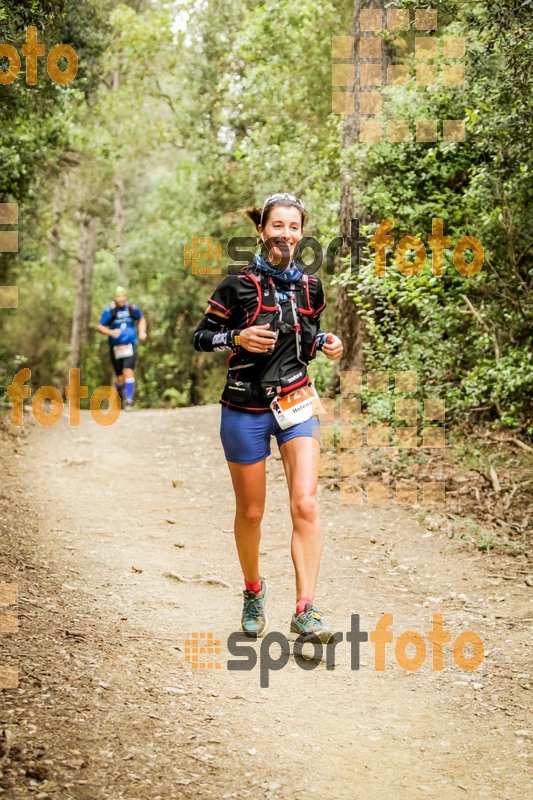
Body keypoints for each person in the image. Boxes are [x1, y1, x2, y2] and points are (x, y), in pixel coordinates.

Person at [192, 193, 343, 642]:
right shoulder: (236, 284)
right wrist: (237, 337)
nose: (286, 234)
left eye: (294, 227)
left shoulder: (310, 286)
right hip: (244, 407)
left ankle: (306, 610)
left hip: (296, 404)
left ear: (301, 233)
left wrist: (327, 343)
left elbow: (307, 337)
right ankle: (254, 591)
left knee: (306, 503)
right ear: (262, 230)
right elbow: (202, 338)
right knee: (252, 512)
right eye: (277, 226)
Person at [97, 286, 147, 410]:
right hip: (116, 347)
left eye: (123, 296)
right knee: (120, 377)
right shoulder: (110, 311)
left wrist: (142, 332)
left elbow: (141, 319)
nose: (121, 299)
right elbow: (100, 326)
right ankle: (119, 394)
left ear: (126, 297)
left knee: (128, 370)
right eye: (118, 296)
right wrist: (111, 332)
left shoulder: (132, 309)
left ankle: (129, 400)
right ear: (115, 298)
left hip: (130, 344)